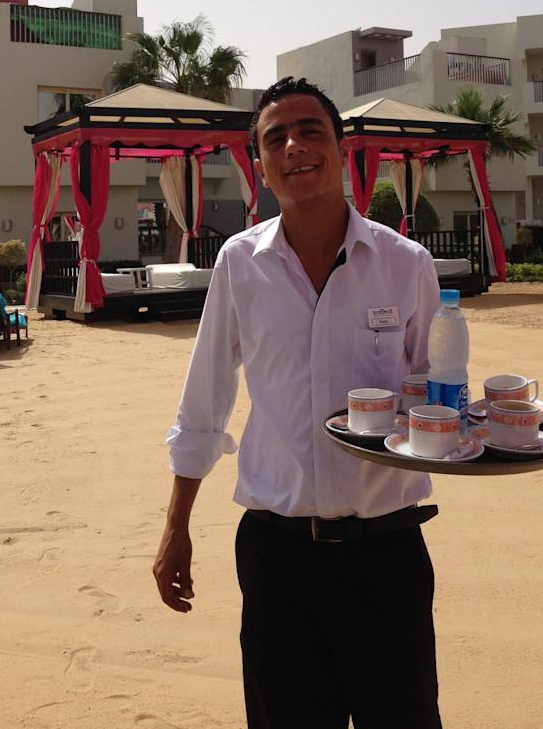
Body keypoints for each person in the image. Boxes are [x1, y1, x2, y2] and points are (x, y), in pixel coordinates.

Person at [153, 77, 443, 729]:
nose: (294, 147)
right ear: (260, 164)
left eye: (311, 131)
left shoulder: (405, 264)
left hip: (386, 554)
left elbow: (436, 392)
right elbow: (204, 402)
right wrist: (176, 527)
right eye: (275, 138)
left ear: (343, 150)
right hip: (277, 557)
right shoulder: (240, 264)